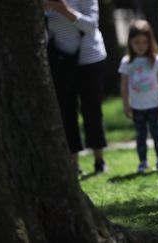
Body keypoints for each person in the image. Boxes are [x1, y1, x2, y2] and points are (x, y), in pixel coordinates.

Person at [44, 0, 108, 175]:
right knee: (66, 111)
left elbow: (91, 25)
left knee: (92, 110)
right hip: (61, 61)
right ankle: (74, 163)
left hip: (90, 59)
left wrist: (65, 11)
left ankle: (99, 160)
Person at [118, 20, 158, 173]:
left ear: (150, 42)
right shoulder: (127, 62)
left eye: (144, 42)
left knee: (156, 134)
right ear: (130, 42)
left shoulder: (157, 60)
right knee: (141, 136)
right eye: (136, 42)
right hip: (137, 107)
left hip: (154, 105)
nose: (140, 45)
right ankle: (143, 162)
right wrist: (126, 104)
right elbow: (124, 86)